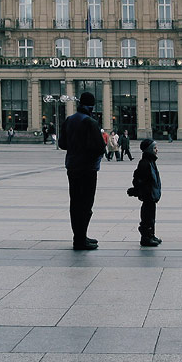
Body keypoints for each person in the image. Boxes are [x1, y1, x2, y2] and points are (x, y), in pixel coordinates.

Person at [58, 92, 106, 251]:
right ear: (92, 105)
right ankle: (81, 239)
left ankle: (78, 237)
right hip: (87, 168)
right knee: (86, 203)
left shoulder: (69, 120)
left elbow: (62, 144)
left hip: (72, 167)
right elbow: (100, 147)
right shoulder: (90, 122)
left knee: (75, 202)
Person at [127, 139, 162, 247]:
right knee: (147, 216)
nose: (157, 150)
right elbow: (139, 179)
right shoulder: (145, 163)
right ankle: (146, 237)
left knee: (151, 216)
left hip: (151, 194)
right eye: (155, 148)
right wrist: (137, 190)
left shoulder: (151, 161)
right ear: (149, 150)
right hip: (148, 194)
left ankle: (151, 234)